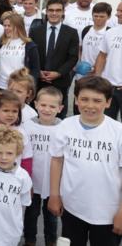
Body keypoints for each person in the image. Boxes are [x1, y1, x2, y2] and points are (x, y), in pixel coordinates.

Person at [48, 76, 122, 245]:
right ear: (75, 99)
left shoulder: (118, 132)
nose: (90, 105)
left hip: (108, 214)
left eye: (97, 100)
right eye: (84, 99)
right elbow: (57, 161)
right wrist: (54, 195)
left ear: (108, 102)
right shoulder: (66, 126)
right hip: (72, 208)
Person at [22, 87, 63, 246]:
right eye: (43, 105)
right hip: (32, 179)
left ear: (60, 108)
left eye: (52, 107)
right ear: (36, 104)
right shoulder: (26, 126)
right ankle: (29, 240)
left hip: (53, 183)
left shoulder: (63, 128)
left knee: (51, 214)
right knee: (31, 213)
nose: (47, 110)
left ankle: (51, 240)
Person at [29, 0, 79, 119]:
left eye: (58, 10)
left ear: (63, 12)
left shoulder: (71, 32)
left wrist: (58, 73)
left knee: (57, 115)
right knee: (36, 114)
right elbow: (30, 55)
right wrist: (38, 72)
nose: (54, 13)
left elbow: (73, 58)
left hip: (60, 81)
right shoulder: (35, 31)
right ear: (46, 11)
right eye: (51, 10)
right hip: (38, 80)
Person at [0, 13, 40, 89]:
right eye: (5, 25)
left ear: (18, 26)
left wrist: (28, 86)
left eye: (9, 26)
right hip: (0, 86)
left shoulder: (30, 45)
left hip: (19, 88)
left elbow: (35, 69)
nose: (6, 28)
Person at [95, 1, 122, 120]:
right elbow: (102, 56)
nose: (117, 14)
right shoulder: (110, 32)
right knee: (106, 124)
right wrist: (97, 78)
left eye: (121, 11)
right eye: (117, 10)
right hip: (108, 88)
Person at [75, 2, 112, 89]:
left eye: (102, 16)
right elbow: (79, 48)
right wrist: (78, 62)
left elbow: (109, 54)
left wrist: (98, 67)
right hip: (82, 74)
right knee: (78, 99)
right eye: (95, 16)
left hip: (101, 75)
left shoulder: (109, 33)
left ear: (109, 17)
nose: (98, 19)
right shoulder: (85, 29)